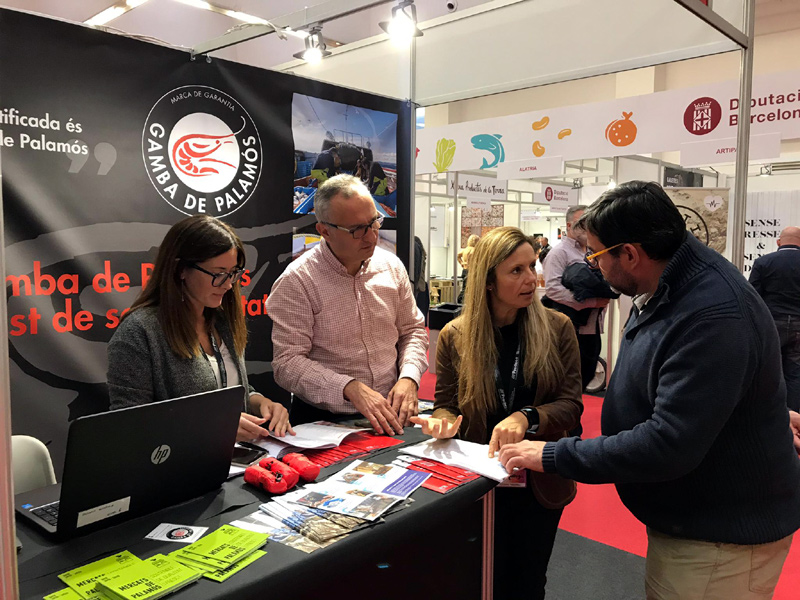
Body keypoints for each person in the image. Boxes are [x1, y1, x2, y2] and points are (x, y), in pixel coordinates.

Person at [498, 181, 800, 600]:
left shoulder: (711, 312)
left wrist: (551, 454)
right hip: (696, 522)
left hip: (719, 539)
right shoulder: (673, 285)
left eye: (597, 254)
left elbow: (667, 443)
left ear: (631, 254)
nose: (593, 266)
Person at [410, 227, 583, 600]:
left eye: (531, 266)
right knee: (478, 578)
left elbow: (571, 405)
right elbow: (446, 402)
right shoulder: (457, 335)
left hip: (537, 481)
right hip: (478, 479)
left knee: (527, 581)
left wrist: (527, 417)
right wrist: (441, 421)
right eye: (515, 270)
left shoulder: (557, 328)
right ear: (489, 280)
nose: (531, 279)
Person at [107, 215, 293, 442]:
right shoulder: (139, 332)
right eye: (218, 274)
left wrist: (260, 402)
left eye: (234, 272)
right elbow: (127, 424)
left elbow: (226, 388)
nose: (228, 284)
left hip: (239, 462)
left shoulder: (222, 321)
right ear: (181, 270)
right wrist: (212, 427)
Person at [267, 175, 428, 435]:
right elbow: (287, 363)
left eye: (374, 222)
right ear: (325, 231)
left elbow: (412, 331)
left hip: (392, 411)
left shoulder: (391, 266)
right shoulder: (298, 281)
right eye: (357, 230)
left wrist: (409, 377)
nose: (371, 236)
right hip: (324, 423)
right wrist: (348, 387)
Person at [543, 205, 609, 392]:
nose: (587, 228)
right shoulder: (559, 253)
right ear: (569, 225)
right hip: (571, 328)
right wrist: (590, 302)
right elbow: (553, 289)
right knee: (569, 382)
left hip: (592, 327)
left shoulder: (589, 252)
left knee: (585, 376)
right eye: (582, 224)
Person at [749, 226, 800, 411]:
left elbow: (753, 297)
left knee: (769, 369)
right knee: (795, 372)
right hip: (798, 326)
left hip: (772, 324)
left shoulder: (763, 262)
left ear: (778, 242)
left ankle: (769, 412)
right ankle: (793, 416)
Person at [412, 235, 430, 326]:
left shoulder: (414, 247)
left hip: (417, 285)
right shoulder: (422, 252)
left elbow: (416, 271)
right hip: (421, 285)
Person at [457, 234, 479, 304]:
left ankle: (461, 301)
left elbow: (458, 256)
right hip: (471, 270)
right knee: (469, 288)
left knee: (465, 287)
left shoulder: (465, 250)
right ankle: (461, 301)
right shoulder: (474, 250)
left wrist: (462, 263)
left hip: (465, 270)